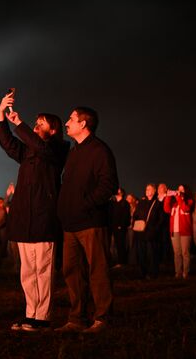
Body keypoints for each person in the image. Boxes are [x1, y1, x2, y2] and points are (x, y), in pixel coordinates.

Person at [0, 91, 70, 332]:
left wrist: (20, 124)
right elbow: (8, 144)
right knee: (27, 271)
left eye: (41, 123)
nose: (36, 126)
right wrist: (1, 115)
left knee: (43, 270)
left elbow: (41, 148)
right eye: (35, 123)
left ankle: (43, 316)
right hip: (24, 218)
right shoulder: (29, 151)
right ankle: (30, 314)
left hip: (43, 217)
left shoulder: (58, 149)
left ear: (54, 130)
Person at [56, 106, 118, 334]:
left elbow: (109, 184)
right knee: (72, 272)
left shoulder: (100, 151)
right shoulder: (74, 152)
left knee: (98, 270)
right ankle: (77, 318)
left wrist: (85, 204)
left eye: (71, 119)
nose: (66, 123)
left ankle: (103, 318)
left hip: (91, 222)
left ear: (83, 124)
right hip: (70, 224)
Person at [133, 184, 164, 280]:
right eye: (146, 189)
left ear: (154, 191)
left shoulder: (157, 203)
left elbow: (161, 219)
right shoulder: (141, 202)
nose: (147, 191)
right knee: (142, 254)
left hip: (151, 233)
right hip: (141, 233)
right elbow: (135, 215)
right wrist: (136, 223)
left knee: (152, 254)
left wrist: (155, 230)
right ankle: (143, 272)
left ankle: (152, 273)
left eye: (149, 189)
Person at [164, 184, 194, 279]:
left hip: (185, 231)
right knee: (177, 253)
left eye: (182, 190)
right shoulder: (175, 203)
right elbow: (166, 209)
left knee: (185, 252)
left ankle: (186, 272)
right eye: (178, 189)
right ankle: (178, 272)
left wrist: (178, 197)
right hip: (174, 231)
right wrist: (168, 196)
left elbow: (185, 208)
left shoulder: (189, 201)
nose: (179, 191)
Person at [108, 188, 131, 267]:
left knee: (120, 245)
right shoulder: (113, 203)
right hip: (112, 227)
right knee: (112, 245)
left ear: (121, 193)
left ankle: (122, 262)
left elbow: (126, 216)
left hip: (120, 228)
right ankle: (113, 260)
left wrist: (121, 225)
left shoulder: (125, 203)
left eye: (117, 191)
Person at [125, 193, 139, 265]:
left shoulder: (134, 207)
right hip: (126, 228)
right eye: (127, 198)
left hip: (132, 228)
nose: (128, 199)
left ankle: (132, 261)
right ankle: (127, 260)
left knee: (132, 244)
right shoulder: (125, 207)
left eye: (129, 198)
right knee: (126, 244)